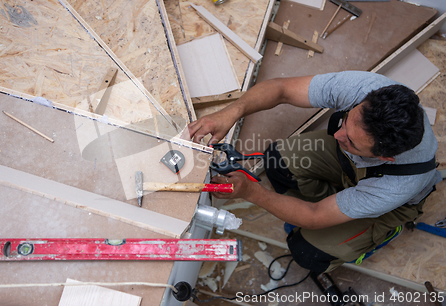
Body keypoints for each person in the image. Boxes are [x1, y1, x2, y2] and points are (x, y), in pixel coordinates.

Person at [188, 71, 442, 273]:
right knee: (276, 161)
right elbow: (282, 89)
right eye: (346, 120)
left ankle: (379, 227)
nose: (338, 134)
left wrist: (252, 192)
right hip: (356, 165)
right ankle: (342, 199)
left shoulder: (397, 186)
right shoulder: (367, 89)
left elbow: (314, 215)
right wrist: (230, 112)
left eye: (352, 140)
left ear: (384, 156)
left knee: (307, 252)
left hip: (385, 193)